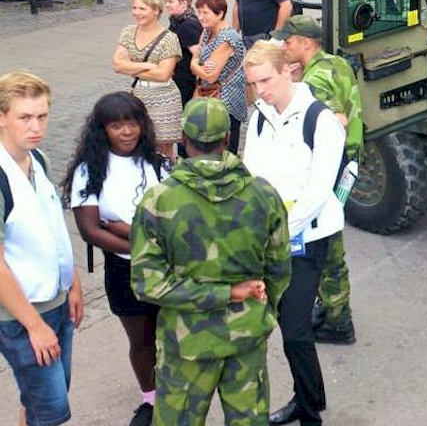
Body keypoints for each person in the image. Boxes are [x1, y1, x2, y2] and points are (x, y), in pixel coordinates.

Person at [130, 98, 291, 426]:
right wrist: (260, 311)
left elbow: (147, 283)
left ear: (183, 139)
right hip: (247, 336)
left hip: (187, 343)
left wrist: (218, 294)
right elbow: (279, 267)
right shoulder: (264, 194)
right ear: (228, 139)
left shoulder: (159, 200)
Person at [242, 42, 345, 426]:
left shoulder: (320, 120)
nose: (260, 90)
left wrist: (283, 233)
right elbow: (251, 173)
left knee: (295, 331)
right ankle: (310, 398)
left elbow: (319, 191)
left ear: (289, 70)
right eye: (253, 83)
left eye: (266, 80)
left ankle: (309, 413)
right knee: (277, 326)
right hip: (267, 236)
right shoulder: (259, 114)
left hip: (307, 238)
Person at [62, 92, 169, 426]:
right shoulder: (89, 170)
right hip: (124, 269)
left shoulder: (158, 162)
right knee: (141, 339)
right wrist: (143, 243)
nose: (126, 131)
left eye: (132, 123)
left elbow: (174, 221)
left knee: (171, 334)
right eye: (116, 125)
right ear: (102, 129)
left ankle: (177, 394)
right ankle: (151, 400)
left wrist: (123, 228)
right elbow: (91, 230)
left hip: (166, 266)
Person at [271, 15, 364, 346]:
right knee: (330, 240)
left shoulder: (316, 79)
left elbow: (337, 118)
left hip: (330, 166)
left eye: (289, 41)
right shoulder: (335, 63)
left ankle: (339, 322)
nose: (284, 46)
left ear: (306, 44)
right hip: (349, 160)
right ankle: (332, 309)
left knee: (327, 247)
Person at [0, 71, 83, 426]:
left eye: (42, 116)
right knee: (49, 412)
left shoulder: (39, 159)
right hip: (24, 314)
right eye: (24, 117)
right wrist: (34, 326)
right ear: (2, 117)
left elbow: (50, 227)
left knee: (41, 402)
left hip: (56, 300)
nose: (36, 127)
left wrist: (72, 282)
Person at [112, 0, 183, 160]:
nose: (136, 13)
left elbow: (163, 74)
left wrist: (130, 67)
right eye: (134, 8)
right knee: (139, 144)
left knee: (163, 151)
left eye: (142, 9)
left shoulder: (169, 38)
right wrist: (146, 65)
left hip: (164, 99)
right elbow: (117, 64)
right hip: (139, 96)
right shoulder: (128, 32)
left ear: (156, 10)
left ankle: (165, 175)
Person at [190, 0, 247, 154]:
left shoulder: (227, 38)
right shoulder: (207, 32)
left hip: (226, 99)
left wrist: (195, 65)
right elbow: (197, 62)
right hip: (210, 95)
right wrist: (198, 65)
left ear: (220, 13)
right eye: (199, 12)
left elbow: (210, 75)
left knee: (225, 146)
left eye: (205, 13)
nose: (201, 17)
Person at [164, 0, 202, 107]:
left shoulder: (187, 25)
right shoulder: (178, 21)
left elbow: (199, 54)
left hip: (187, 82)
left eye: (171, 2)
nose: (167, 5)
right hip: (181, 78)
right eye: (166, 1)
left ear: (184, 3)